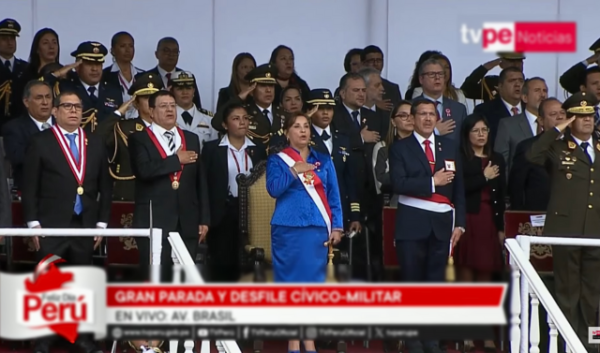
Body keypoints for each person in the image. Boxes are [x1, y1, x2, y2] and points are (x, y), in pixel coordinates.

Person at [21, 90, 112, 353]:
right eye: (67, 106)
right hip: (50, 224)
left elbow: (106, 187)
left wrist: (102, 225)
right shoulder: (41, 141)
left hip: (85, 224)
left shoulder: (94, 142)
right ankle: (44, 338)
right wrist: (32, 223)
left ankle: (83, 337)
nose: (73, 111)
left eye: (78, 106)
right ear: (55, 111)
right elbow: (30, 186)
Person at [389, 98, 466, 353]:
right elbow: (398, 183)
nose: (427, 118)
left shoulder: (450, 146)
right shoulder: (400, 148)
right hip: (412, 224)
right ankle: (413, 342)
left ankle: (431, 342)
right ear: (412, 118)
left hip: (443, 224)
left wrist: (461, 223)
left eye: (431, 114)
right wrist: (431, 182)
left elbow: (460, 188)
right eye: (422, 114)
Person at [526, 91, 600, 351]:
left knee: (593, 296)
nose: (588, 120)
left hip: (595, 231)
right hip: (566, 231)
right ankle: (567, 345)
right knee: (568, 295)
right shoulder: (557, 146)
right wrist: (557, 129)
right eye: (580, 117)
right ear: (570, 120)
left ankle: (591, 345)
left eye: (591, 114)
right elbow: (532, 155)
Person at [266, 111, 343, 353]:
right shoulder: (277, 160)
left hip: (316, 230)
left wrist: (338, 226)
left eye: (306, 126)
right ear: (286, 132)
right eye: (297, 126)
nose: (302, 130)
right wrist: (294, 171)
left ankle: (308, 341)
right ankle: (293, 342)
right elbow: (274, 190)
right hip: (288, 230)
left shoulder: (323, 160)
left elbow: (334, 196)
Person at [129, 90, 210, 280]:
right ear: (151, 111)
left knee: (184, 278)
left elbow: (200, 181)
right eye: (163, 106)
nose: (169, 110)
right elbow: (144, 171)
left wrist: (204, 219)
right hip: (154, 220)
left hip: (187, 220)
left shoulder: (191, 138)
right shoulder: (138, 138)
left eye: (172, 106)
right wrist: (176, 160)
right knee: (156, 277)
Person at [202, 103, 267, 281]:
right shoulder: (212, 149)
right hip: (223, 211)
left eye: (245, 118)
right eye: (236, 119)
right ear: (225, 124)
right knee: (223, 259)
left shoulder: (258, 149)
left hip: (252, 212)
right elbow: (204, 184)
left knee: (248, 258)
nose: (242, 122)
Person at [98, 72, 164, 201]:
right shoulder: (123, 128)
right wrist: (118, 113)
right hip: (131, 193)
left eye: (154, 97)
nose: (151, 102)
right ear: (136, 103)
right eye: (146, 97)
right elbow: (96, 139)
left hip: (162, 195)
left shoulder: (171, 129)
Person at [43, 41, 123, 132]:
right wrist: (57, 74)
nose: (94, 69)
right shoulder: (65, 88)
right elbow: (37, 88)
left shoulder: (113, 90)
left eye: (98, 64)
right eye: (89, 64)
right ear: (77, 66)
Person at [212, 63, 286, 154]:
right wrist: (239, 98)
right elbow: (217, 122)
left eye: (271, 86)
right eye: (263, 86)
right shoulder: (244, 112)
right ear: (251, 90)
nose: (268, 90)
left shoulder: (284, 113)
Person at [509, 98, 566, 211]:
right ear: (540, 120)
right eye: (553, 114)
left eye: (563, 113)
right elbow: (516, 188)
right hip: (537, 216)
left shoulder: (576, 146)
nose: (560, 117)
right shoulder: (527, 147)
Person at [3, 80, 54, 190]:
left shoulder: (64, 124)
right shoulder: (14, 128)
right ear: (26, 102)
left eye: (48, 97)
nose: (45, 102)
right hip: (32, 190)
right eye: (39, 98)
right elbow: (18, 157)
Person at [373, 100, 414, 204]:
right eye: (403, 115)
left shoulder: (425, 146)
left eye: (412, 115)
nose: (409, 119)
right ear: (393, 121)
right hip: (392, 201)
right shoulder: (382, 147)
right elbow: (380, 182)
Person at [170, 71, 217, 151]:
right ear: (172, 91)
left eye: (188, 88)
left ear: (194, 90)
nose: (185, 92)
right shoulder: (166, 117)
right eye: (180, 89)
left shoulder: (209, 118)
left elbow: (214, 149)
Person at [0, 18, 29, 129]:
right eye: (4, 39)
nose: (9, 42)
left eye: (12, 38)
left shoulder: (25, 67)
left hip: (20, 127)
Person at [461, 52, 525, 102]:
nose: (516, 64)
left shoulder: (529, 85)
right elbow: (466, 90)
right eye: (511, 61)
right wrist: (484, 68)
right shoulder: (491, 83)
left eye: (519, 61)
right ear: (501, 63)